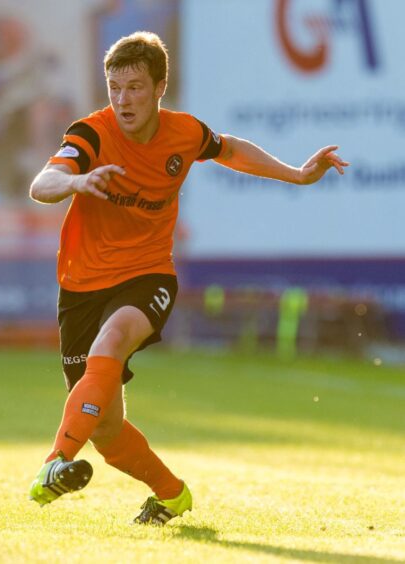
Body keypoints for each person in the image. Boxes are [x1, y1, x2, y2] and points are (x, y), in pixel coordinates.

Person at [27, 31, 348, 525]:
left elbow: (228, 149)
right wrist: (76, 180)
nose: (122, 99)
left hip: (147, 274)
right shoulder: (90, 133)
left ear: (159, 87)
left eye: (134, 87)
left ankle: (54, 463)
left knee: (110, 343)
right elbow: (41, 183)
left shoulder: (183, 132)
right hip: (80, 286)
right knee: (107, 432)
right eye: (114, 86)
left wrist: (298, 174)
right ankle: (172, 495)